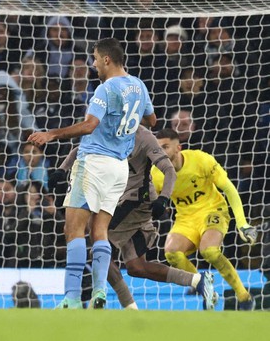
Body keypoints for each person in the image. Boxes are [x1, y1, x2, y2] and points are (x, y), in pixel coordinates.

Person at [28, 38, 156, 309]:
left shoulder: (105, 88)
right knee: (100, 231)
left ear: (107, 59)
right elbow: (151, 120)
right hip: (119, 168)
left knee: (73, 229)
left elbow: (89, 126)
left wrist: (52, 134)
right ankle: (99, 292)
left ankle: (72, 298)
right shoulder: (139, 86)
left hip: (94, 163)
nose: (93, 64)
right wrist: (124, 122)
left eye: (95, 58)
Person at [52, 126, 216, 310]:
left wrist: (163, 199)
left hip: (136, 201)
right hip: (118, 201)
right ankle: (198, 281)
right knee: (137, 267)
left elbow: (169, 171)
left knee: (99, 245)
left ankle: (125, 305)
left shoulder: (144, 137)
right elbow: (81, 149)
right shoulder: (109, 128)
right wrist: (62, 169)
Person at [153, 129, 259, 310]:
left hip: (213, 210)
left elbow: (229, 189)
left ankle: (243, 295)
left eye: (165, 147)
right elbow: (152, 203)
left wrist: (242, 223)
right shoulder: (156, 174)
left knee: (209, 251)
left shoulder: (200, 160)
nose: (160, 153)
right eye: (157, 148)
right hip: (186, 218)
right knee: (171, 253)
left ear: (178, 148)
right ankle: (204, 288)